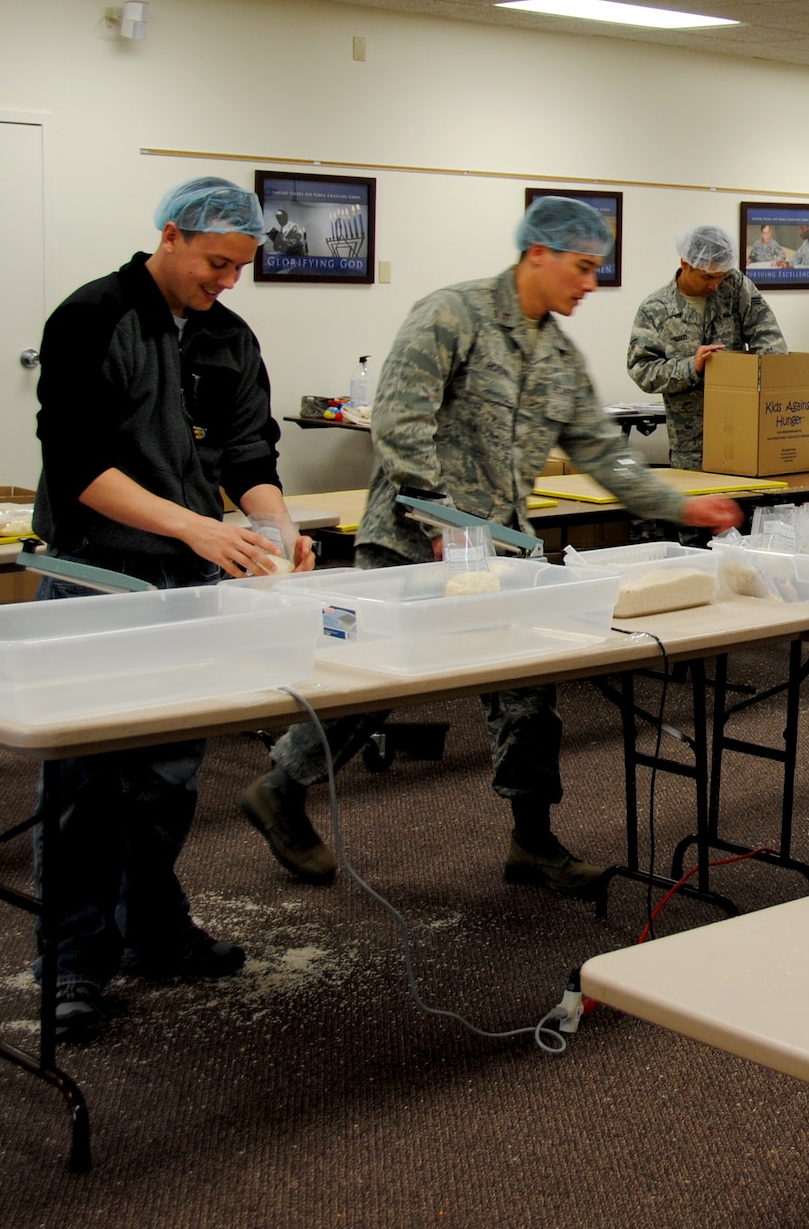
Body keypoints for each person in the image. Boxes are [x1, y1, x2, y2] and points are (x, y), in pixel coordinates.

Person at [242, 198, 744, 898]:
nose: (591, 283)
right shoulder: (452, 315)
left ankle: (532, 842)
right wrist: (444, 520)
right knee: (376, 682)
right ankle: (282, 786)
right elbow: (400, 422)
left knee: (529, 691)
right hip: (412, 542)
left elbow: (603, 453)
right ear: (537, 253)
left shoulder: (558, 356)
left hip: (500, 551)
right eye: (582, 267)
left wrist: (680, 504)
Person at [32, 176, 320, 1041]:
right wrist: (199, 527)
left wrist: (275, 529)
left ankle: (152, 930)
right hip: (97, 577)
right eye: (216, 263)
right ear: (170, 236)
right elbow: (80, 466)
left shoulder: (228, 337)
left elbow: (249, 453)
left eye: (240, 268)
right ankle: (72, 962)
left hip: (187, 582)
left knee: (166, 777)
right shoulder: (95, 317)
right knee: (86, 781)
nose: (226, 281)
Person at [628, 224, 790, 470]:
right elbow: (642, 370)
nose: (714, 285)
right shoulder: (656, 309)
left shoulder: (735, 287)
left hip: (743, 432)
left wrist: (767, 383)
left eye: (720, 276)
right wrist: (690, 367)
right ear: (685, 264)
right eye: (707, 277)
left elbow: (768, 336)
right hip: (691, 445)